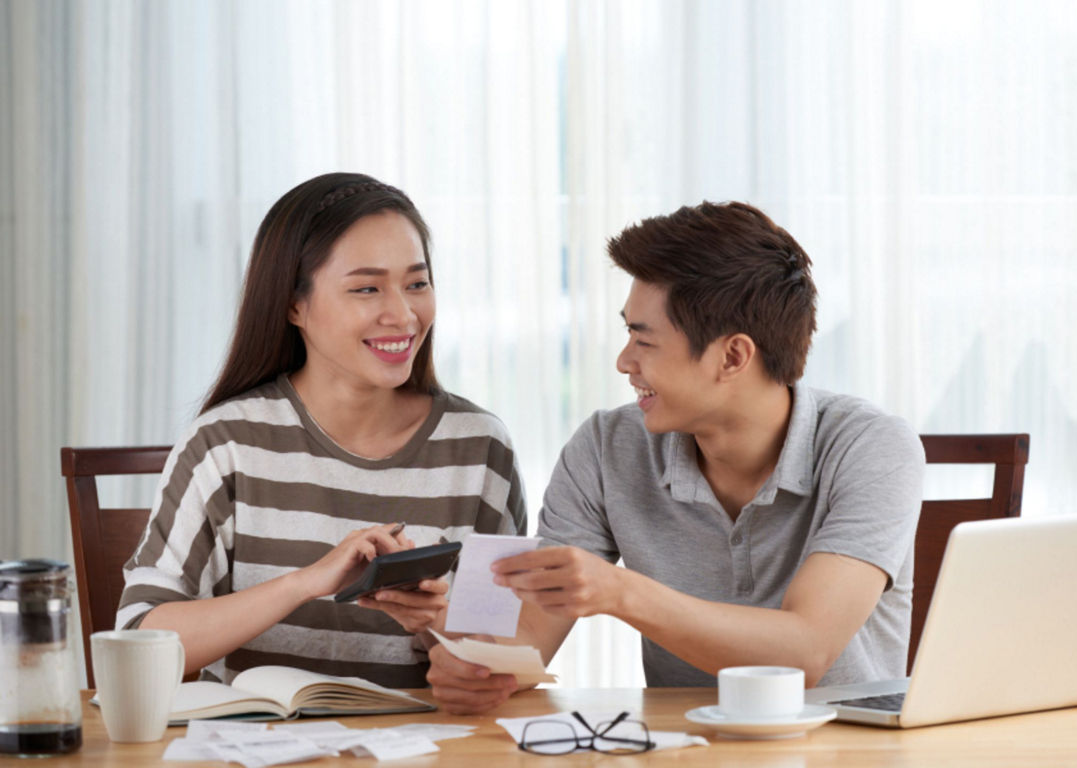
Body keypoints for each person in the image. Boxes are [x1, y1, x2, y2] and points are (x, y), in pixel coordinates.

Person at [427, 201, 925, 714]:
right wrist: (456, 641)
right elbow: (528, 639)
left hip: (843, 749)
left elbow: (805, 651)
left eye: (645, 340)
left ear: (733, 356)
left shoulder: (873, 448)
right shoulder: (605, 448)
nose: (624, 362)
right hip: (683, 746)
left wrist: (619, 592)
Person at [116, 173, 526, 688]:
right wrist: (305, 584)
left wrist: (431, 619)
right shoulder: (226, 444)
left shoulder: (480, 448)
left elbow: (506, 659)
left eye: (417, 283)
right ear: (294, 305)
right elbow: (138, 637)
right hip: (249, 748)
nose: (402, 314)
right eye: (366, 288)